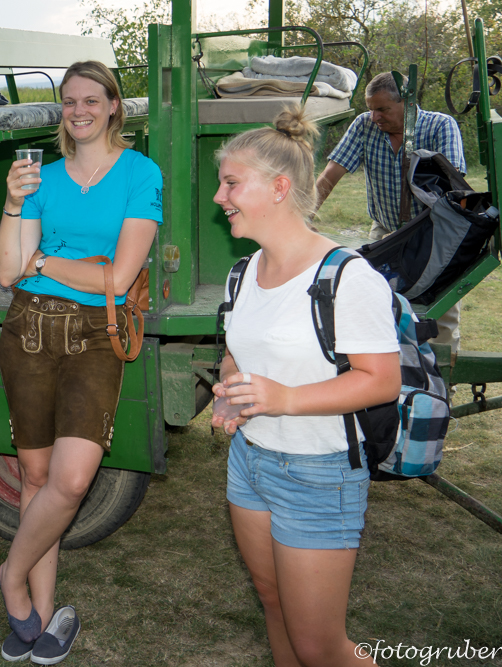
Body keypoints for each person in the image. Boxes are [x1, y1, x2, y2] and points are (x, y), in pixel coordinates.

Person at [212, 106, 401, 666]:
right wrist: (232, 389)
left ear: (279, 188)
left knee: (321, 646)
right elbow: (235, 355)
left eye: (231, 183)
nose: (220, 197)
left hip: (320, 474)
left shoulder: (347, 276)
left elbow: (381, 380)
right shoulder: (243, 272)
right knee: (273, 602)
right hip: (250, 462)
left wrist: (286, 399)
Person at [0, 60, 162, 663]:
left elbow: (118, 278)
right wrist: (13, 204)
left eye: (92, 100)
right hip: (28, 328)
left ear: (114, 106)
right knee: (35, 479)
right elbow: (6, 272)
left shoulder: (140, 173)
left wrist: (42, 261)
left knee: (70, 481)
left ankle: (11, 574)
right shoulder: (39, 176)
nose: (79, 110)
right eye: (69, 101)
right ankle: (36, 614)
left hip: (95, 332)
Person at [315, 72, 465, 358]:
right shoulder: (364, 125)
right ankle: (388, 372)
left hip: (434, 235)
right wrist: (304, 215)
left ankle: (442, 376)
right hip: (384, 231)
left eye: (382, 109)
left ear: (407, 103)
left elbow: (451, 195)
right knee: (373, 304)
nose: (375, 117)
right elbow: (330, 175)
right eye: (371, 109)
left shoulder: (441, 126)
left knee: (439, 314)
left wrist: (410, 233)